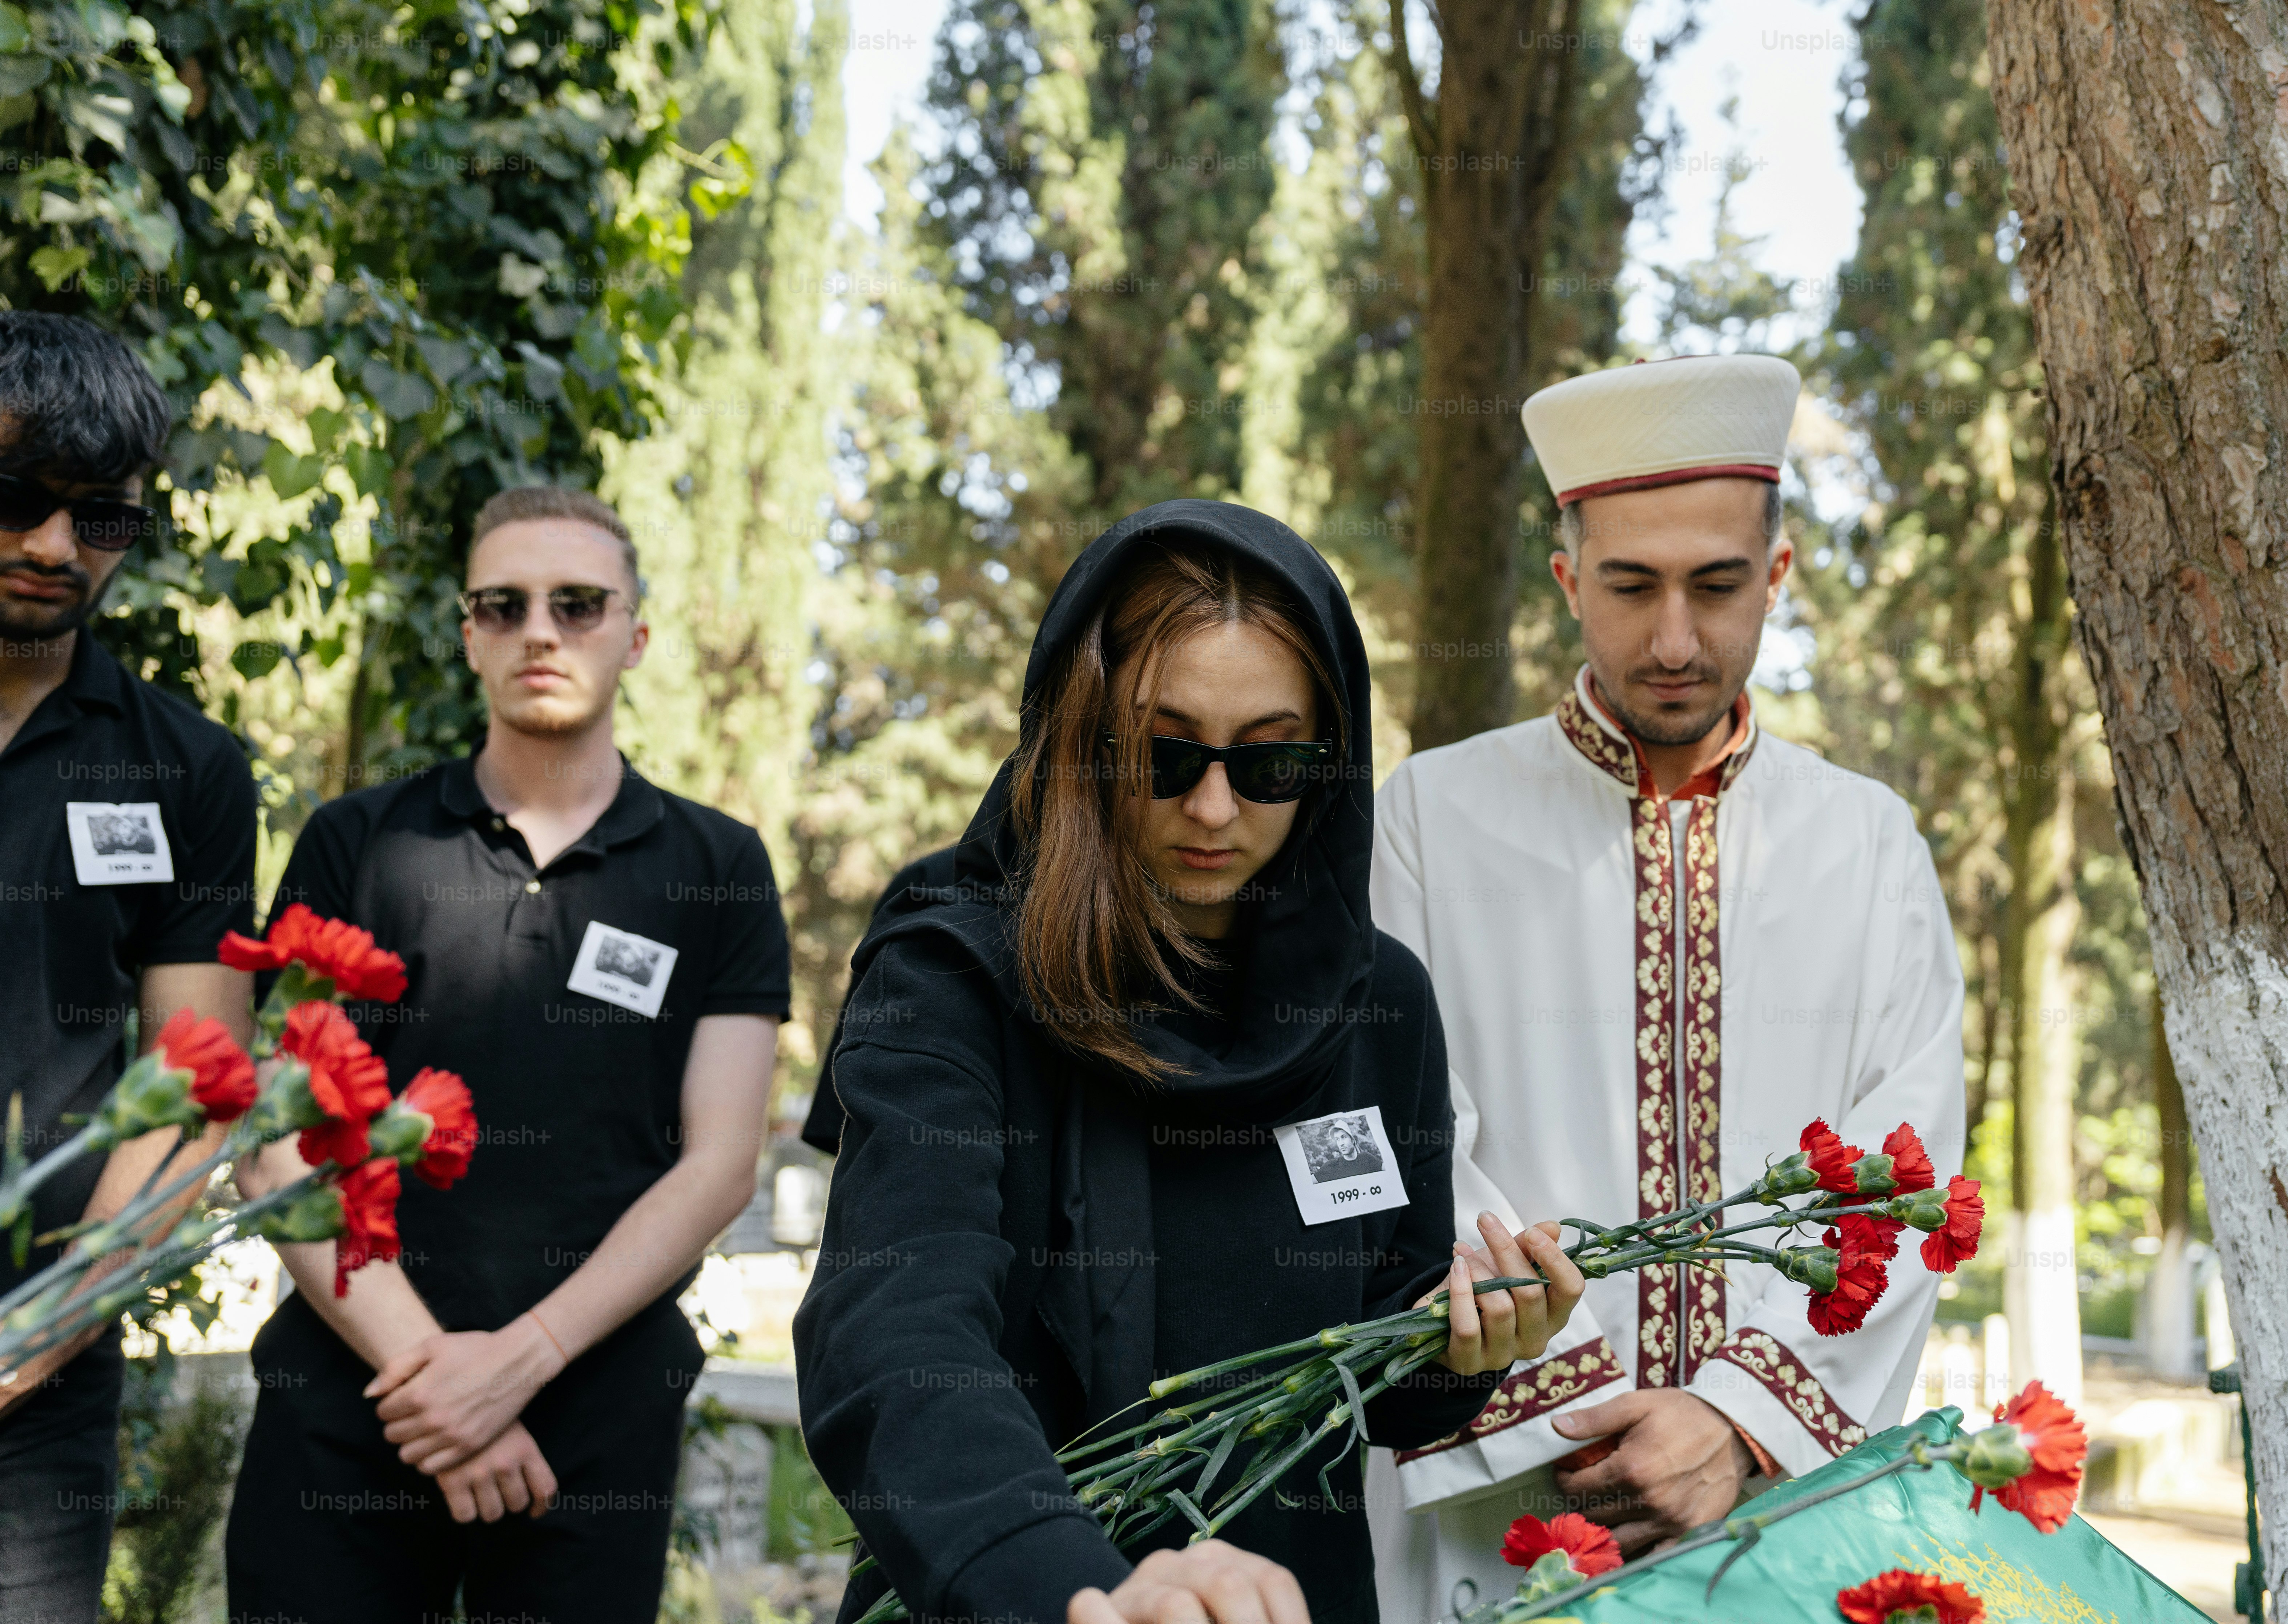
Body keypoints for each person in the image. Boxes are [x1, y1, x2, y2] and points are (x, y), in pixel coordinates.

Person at [794, 500, 1586, 1624]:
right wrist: (1076, 1582)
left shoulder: (1378, 1006)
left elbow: (1379, 1383)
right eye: (1164, 755)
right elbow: (895, 1329)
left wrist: (1467, 1347)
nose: (1214, 808)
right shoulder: (951, 979)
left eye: (1271, 762)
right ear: (1084, 736)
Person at [1362, 355, 1967, 1617]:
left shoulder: (1866, 843)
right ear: (1568, 579)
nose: (1677, 641)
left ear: (1778, 576)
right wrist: (1578, 1411)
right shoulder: (1429, 818)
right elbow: (1401, 1137)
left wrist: (1738, 1421)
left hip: (1780, 1504)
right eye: (1632, 587)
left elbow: (1907, 1167)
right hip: (1505, 1501)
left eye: (1719, 586)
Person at [223, 486, 792, 1623]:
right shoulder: (358, 843)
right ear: (469, 633)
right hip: (352, 1394)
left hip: (594, 1418)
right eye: (506, 605)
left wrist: (517, 1364)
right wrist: (442, 1385)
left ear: (636, 635)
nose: (541, 631)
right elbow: (277, 1140)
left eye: (578, 604)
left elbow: (721, 1164)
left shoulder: (719, 867)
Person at [0, 312, 257, 1624]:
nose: (56, 546)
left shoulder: (186, 771)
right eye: (19, 499)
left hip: (35, 1397)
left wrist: (38, 1334)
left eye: (100, 516)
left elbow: (196, 1084)